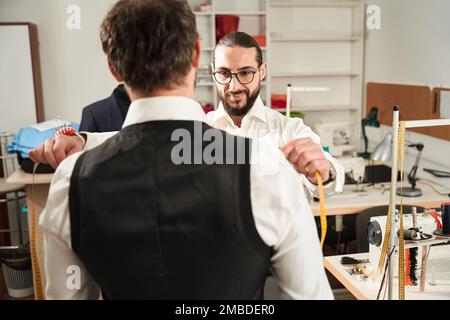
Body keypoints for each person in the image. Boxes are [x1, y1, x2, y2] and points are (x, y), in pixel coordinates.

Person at [37, 0, 332, 299]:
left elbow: (146, 142)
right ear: (195, 54)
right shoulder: (266, 169)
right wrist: (86, 140)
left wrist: (84, 142)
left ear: (114, 69)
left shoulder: (70, 184)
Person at [30, 33, 344, 198]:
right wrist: (82, 141)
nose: (233, 86)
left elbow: (331, 178)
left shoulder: (290, 129)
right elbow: (139, 140)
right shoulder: (197, 130)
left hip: (278, 274)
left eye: (246, 73)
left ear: (262, 72)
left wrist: (325, 170)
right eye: (224, 73)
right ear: (211, 72)